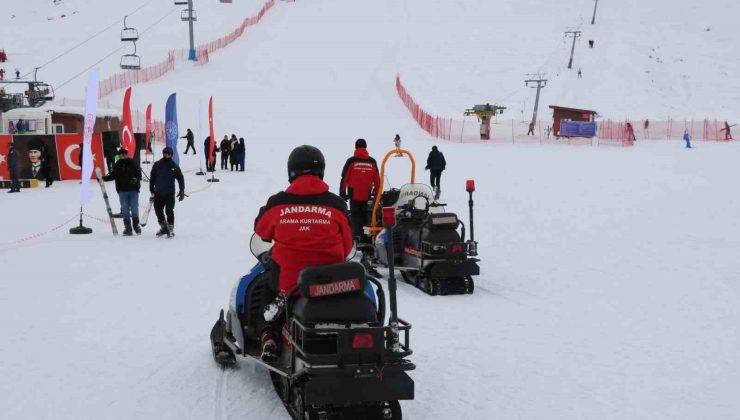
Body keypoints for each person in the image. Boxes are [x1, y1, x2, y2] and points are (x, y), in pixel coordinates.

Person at [253, 145, 353, 362]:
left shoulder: (278, 203)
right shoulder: (337, 204)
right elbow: (346, 247)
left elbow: (261, 229)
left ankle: (269, 336)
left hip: (290, 286)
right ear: (321, 171)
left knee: (269, 296)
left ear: (291, 172)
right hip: (333, 285)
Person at [339, 138, 380, 243]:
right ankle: (366, 238)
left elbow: (344, 178)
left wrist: (342, 193)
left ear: (356, 147)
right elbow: (377, 181)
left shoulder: (351, 161)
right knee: (366, 214)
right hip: (367, 193)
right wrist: (377, 196)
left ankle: (356, 239)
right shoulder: (372, 162)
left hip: (354, 193)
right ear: (366, 147)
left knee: (355, 215)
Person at [103, 148, 142, 235]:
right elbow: (113, 175)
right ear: (119, 156)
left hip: (133, 190)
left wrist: (135, 179)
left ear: (127, 154)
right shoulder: (117, 164)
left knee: (134, 209)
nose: (123, 156)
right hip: (122, 191)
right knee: (125, 210)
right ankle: (128, 228)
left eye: (125, 154)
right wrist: (103, 178)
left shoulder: (133, 163)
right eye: (122, 155)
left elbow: (139, 175)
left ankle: (136, 226)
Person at [149, 147, 185, 238]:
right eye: (165, 153)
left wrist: (182, 190)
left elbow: (180, 178)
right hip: (158, 193)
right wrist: (151, 189)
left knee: (169, 211)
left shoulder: (174, 166)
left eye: (168, 153)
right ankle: (164, 228)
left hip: (170, 193)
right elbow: (152, 177)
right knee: (158, 211)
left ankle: (171, 230)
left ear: (171, 154)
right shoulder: (157, 164)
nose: (166, 154)